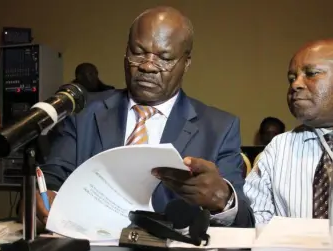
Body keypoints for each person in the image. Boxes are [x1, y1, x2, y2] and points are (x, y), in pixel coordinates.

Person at [27, 6, 254, 228]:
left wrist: (223, 199)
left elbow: (244, 220)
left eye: (164, 58)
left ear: (186, 64)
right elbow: (51, 178)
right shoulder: (83, 113)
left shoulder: (219, 128)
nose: (147, 66)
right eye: (138, 52)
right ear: (126, 52)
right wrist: (45, 199)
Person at [244, 39, 333, 224]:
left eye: (311, 74)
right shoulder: (278, 148)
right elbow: (256, 219)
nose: (296, 85)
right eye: (292, 78)